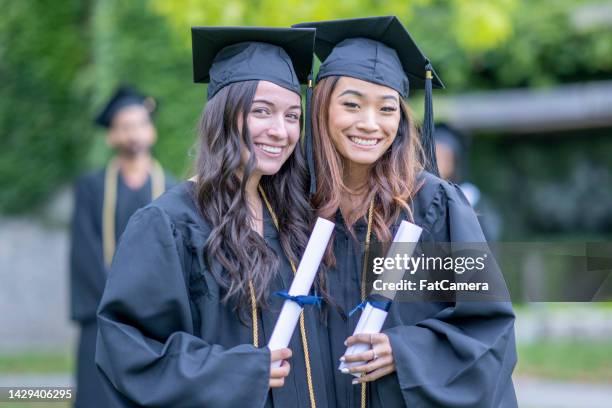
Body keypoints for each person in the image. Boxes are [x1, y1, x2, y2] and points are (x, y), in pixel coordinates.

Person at [95, 27, 333, 407]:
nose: (280, 131)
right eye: (261, 111)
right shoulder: (168, 222)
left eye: (293, 116)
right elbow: (130, 350)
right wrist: (240, 371)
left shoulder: (295, 219)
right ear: (224, 115)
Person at [294, 16, 517, 407]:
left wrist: (404, 350)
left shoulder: (431, 206)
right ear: (321, 106)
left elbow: (487, 328)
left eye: (386, 108)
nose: (369, 123)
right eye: (351, 104)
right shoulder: (292, 204)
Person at [69, 86, 174, 408]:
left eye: (140, 124)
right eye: (124, 127)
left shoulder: (171, 189)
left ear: (152, 130)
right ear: (111, 136)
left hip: (153, 315)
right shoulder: (91, 188)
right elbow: (85, 253)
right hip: (103, 312)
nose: (134, 134)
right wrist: (116, 302)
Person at [435, 123, 502, 241]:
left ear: (454, 163)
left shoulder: (470, 196)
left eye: (444, 157)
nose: (438, 162)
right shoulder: (418, 193)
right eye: (435, 155)